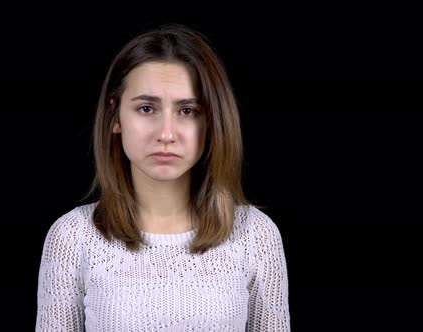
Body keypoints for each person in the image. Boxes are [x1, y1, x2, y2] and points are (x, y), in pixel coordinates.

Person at [35, 23, 290, 331]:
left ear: (212, 121)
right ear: (115, 116)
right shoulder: (73, 238)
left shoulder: (255, 236)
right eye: (146, 108)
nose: (166, 134)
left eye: (188, 111)